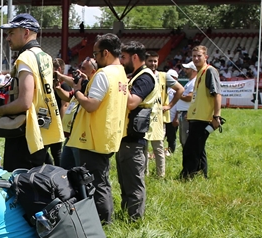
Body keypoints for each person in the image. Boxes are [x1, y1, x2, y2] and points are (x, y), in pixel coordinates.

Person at [0, 13, 63, 171]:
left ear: (26, 32)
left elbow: (25, 102)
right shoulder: (45, 56)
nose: (7, 38)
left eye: (12, 33)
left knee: (19, 181)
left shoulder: (25, 58)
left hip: (26, 132)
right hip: (44, 127)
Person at [66, 34, 128, 224]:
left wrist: (77, 91)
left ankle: (102, 223)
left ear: (106, 53)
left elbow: (91, 105)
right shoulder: (120, 73)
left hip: (93, 137)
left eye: (95, 53)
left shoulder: (104, 74)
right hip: (107, 135)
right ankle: (103, 221)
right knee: (102, 180)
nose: (94, 57)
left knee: (96, 184)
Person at [115, 42, 157, 221]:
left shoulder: (145, 77)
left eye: (123, 57)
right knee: (125, 181)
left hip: (135, 140)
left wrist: (120, 84)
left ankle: (135, 220)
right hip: (126, 138)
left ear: (134, 57)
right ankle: (127, 214)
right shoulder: (136, 76)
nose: (122, 61)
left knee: (134, 182)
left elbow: (132, 102)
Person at [181, 46, 222, 179]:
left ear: (206, 57)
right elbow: (197, 98)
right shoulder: (200, 73)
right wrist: (190, 113)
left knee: (191, 149)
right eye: (194, 56)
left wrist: (217, 116)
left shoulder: (210, 71)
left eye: (199, 56)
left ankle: (188, 175)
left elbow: (217, 94)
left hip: (204, 118)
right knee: (199, 148)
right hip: (196, 116)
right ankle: (202, 174)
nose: (196, 58)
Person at [55, 57, 98, 169]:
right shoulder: (79, 87)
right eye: (80, 67)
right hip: (72, 135)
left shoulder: (92, 86)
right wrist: (58, 88)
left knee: (80, 171)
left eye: (83, 68)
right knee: (65, 169)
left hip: (82, 137)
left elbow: (84, 84)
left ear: (93, 71)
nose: (80, 71)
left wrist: (61, 76)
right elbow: (68, 96)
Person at [144, 53, 183, 177]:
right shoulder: (141, 75)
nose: (153, 63)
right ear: (145, 61)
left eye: (155, 61)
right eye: (150, 61)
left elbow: (180, 89)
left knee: (158, 147)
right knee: (143, 148)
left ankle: (161, 175)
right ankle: (145, 173)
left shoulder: (164, 76)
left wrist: (170, 105)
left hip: (159, 118)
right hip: (143, 115)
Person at [173, 62, 198, 148]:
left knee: (186, 140)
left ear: (194, 70)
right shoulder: (190, 82)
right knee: (184, 140)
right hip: (184, 112)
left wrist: (178, 95)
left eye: (187, 69)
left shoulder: (194, 82)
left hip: (186, 113)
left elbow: (189, 97)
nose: (185, 70)